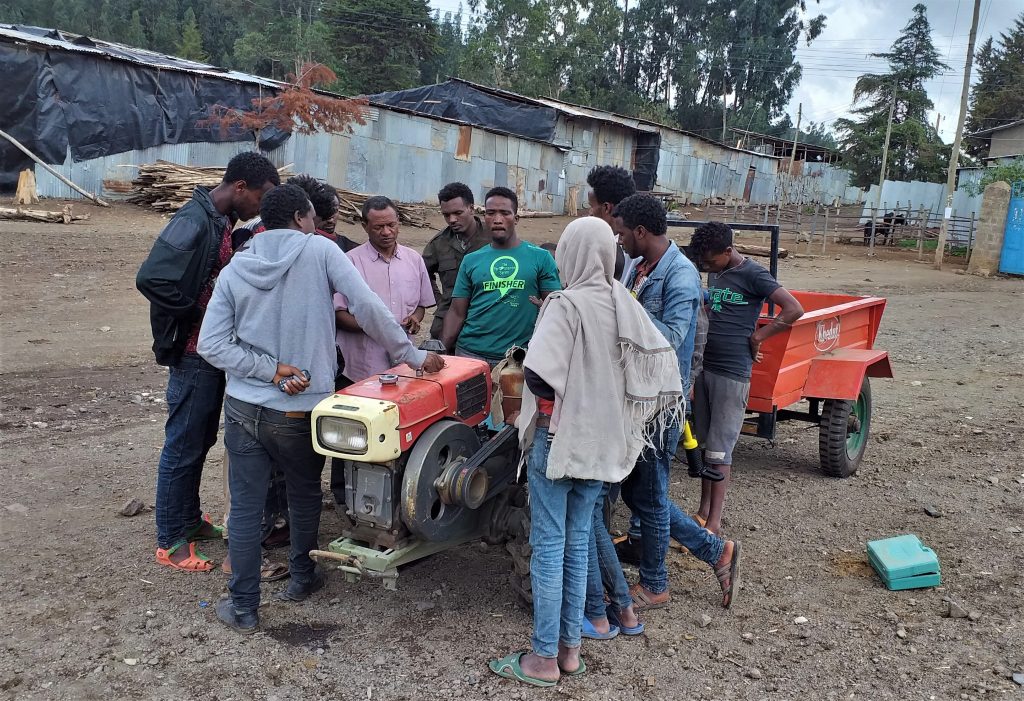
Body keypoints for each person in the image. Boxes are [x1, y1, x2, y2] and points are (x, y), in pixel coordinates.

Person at [197, 184, 445, 633]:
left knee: (248, 503)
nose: (316, 224)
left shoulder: (237, 266)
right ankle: (301, 576)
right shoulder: (320, 252)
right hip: (299, 409)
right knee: (304, 490)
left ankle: (244, 605)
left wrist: (266, 369)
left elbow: (212, 344)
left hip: (242, 407)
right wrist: (411, 354)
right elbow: (368, 307)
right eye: (312, 217)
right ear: (299, 218)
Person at [488, 218, 699, 687]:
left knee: (548, 547)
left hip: (557, 440)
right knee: (577, 540)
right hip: (605, 443)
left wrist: (573, 389)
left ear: (571, 253)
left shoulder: (565, 304)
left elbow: (539, 376)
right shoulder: (625, 301)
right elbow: (658, 361)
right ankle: (569, 651)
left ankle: (542, 659)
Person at [136, 151, 279, 572]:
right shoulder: (193, 220)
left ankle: (189, 520)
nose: (262, 206)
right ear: (240, 188)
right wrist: (199, 312)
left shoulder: (220, 221)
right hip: (193, 351)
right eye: (262, 196)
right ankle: (170, 541)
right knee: (182, 443)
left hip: (211, 352)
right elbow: (152, 278)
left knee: (200, 441)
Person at [610, 194, 741, 610]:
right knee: (638, 493)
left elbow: (672, 338)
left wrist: (624, 308)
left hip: (661, 404)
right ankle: (714, 551)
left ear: (641, 232)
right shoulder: (637, 265)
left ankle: (656, 584)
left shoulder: (680, 276)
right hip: (636, 396)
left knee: (647, 495)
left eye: (623, 232)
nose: (619, 240)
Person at [688, 221, 804, 535]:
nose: (707, 267)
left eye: (711, 261)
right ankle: (701, 511)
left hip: (732, 371)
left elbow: (794, 309)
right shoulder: (717, 270)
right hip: (706, 367)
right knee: (704, 444)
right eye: (704, 263)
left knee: (720, 449)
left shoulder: (754, 274)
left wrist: (759, 337)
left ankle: (714, 522)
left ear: (728, 251)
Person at [440, 187, 561, 365]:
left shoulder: (540, 258)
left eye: (505, 213)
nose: (497, 220)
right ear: (484, 218)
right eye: (491, 213)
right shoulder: (471, 260)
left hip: (518, 358)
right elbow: (457, 312)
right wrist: (440, 350)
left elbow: (555, 308)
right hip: (470, 355)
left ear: (516, 218)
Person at [334, 196, 435, 383]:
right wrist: (378, 327)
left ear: (399, 222)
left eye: (391, 225)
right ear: (365, 226)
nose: (387, 232)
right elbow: (339, 314)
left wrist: (415, 318)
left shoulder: (414, 259)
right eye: (378, 227)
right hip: (359, 368)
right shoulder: (349, 262)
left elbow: (421, 305)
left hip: (402, 367)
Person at [423, 182, 491, 339]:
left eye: (458, 213)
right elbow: (422, 273)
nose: (452, 219)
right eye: (446, 215)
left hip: (484, 316)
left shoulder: (492, 238)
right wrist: (440, 300)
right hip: (448, 317)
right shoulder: (438, 244)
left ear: (471, 209)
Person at [585, 164, 636, 282]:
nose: (590, 213)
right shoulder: (634, 239)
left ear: (606, 208)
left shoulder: (631, 250)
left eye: (591, 206)